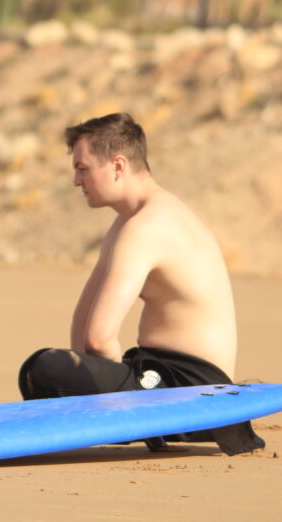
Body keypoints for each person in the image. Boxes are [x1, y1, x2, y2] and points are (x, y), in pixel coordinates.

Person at [18, 112, 262, 454]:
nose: (76, 180)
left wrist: (97, 392)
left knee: (46, 367)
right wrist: (91, 375)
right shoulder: (128, 223)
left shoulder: (148, 227)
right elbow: (83, 322)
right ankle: (120, 416)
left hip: (193, 389)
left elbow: (98, 336)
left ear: (118, 166)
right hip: (160, 373)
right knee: (53, 368)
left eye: (83, 168)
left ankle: (154, 425)